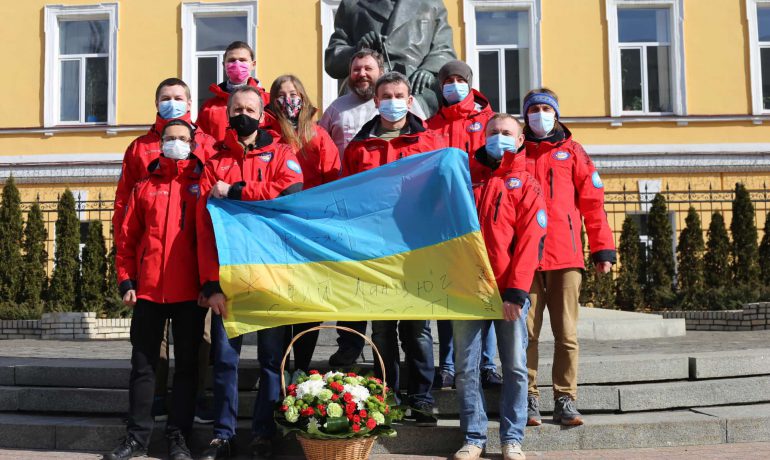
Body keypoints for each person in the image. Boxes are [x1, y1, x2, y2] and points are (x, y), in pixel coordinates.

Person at [197, 86, 303, 460]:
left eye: (250, 109)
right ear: (228, 114)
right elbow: (204, 228)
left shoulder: (283, 153)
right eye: (237, 109)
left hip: (270, 275)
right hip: (229, 280)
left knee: (271, 362)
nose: (243, 114)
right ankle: (222, 436)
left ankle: (263, 434)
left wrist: (237, 191)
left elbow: (289, 192)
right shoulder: (214, 161)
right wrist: (210, 284)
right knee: (225, 361)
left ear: (262, 114)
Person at [342, 71, 445, 427]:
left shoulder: (430, 142)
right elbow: (348, 198)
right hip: (375, 251)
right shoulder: (358, 148)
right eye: (386, 96)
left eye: (399, 96)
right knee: (383, 330)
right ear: (375, 101)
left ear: (410, 100)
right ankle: (388, 396)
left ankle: (421, 398)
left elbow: (443, 192)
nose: (393, 102)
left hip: (417, 250)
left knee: (417, 330)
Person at [111, 77, 216, 424]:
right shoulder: (139, 148)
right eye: (166, 97)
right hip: (152, 268)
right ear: (156, 103)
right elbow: (126, 206)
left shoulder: (207, 144)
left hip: (192, 270)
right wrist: (126, 270)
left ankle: (196, 397)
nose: (173, 102)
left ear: (190, 103)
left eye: (179, 97)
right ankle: (154, 398)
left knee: (199, 341)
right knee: (151, 347)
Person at [453, 113, 546, 460]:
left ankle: (512, 438)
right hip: (467, 290)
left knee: (516, 368)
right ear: (483, 136)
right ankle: (473, 437)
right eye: (493, 132)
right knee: (466, 369)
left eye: (507, 132)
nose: (499, 137)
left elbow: (530, 241)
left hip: (509, 293)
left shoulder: (526, 184)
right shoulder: (466, 177)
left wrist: (516, 293)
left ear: (520, 140)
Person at [521, 88, 616, 427]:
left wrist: (602, 248)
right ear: (526, 115)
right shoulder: (515, 151)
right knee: (525, 335)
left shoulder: (573, 152)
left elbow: (593, 203)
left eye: (546, 109)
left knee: (566, 334)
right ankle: (528, 397)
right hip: (525, 259)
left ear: (556, 114)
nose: (540, 115)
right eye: (534, 109)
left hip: (566, 255)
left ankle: (565, 398)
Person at [426, 60, 500, 390]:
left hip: (483, 215)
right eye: (448, 80)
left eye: (459, 79)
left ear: (469, 83)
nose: (454, 85)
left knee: (485, 288)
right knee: (448, 292)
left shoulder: (489, 122)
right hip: (445, 218)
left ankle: (487, 363)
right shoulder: (431, 126)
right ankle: (447, 363)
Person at [264, 74, 341, 371]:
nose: (289, 100)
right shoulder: (267, 136)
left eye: (294, 94)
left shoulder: (318, 135)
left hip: (310, 229)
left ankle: (302, 366)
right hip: (276, 228)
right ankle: (280, 368)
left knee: (308, 301)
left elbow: (332, 179)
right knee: (281, 300)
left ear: (304, 97)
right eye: (282, 95)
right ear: (273, 102)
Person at [319, 48, 385, 368]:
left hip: (385, 209)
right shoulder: (336, 109)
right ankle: (349, 345)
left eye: (368, 68)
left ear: (380, 70)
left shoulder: (393, 102)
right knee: (350, 280)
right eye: (356, 69)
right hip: (345, 207)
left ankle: (384, 347)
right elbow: (320, 147)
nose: (362, 74)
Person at [324, 0, 457, 117]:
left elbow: (444, 49)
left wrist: (429, 69)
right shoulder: (352, 4)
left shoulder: (432, 3)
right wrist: (359, 50)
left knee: (435, 106)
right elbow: (332, 61)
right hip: (367, 91)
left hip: (415, 86)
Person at [197, 41, 271, 142]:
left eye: (242, 60)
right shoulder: (209, 107)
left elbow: (278, 136)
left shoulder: (268, 101)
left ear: (253, 64)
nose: (237, 64)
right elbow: (201, 140)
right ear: (224, 65)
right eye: (232, 60)